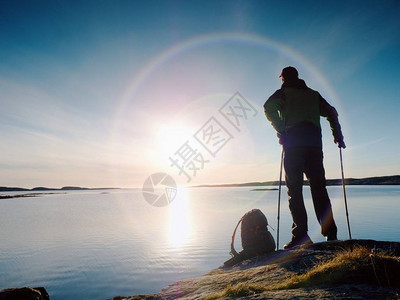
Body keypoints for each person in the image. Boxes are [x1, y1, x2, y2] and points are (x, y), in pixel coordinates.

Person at [264, 66, 346, 249]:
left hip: (294, 145)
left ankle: (300, 235)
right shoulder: (313, 95)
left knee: (295, 190)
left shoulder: (284, 93)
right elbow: (332, 112)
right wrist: (337, 135)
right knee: (319, 189)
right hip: (315, 146)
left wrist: (281, 130)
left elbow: (268, 107)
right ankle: (331, 233)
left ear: (283, 78)